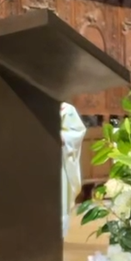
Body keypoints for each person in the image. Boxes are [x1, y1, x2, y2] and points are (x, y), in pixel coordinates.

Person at [60, 101, 86, 237]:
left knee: (59, 202)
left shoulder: (66, 109)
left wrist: (64, 137)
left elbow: (78, 132)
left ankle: (56, 240)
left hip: (58, 163)